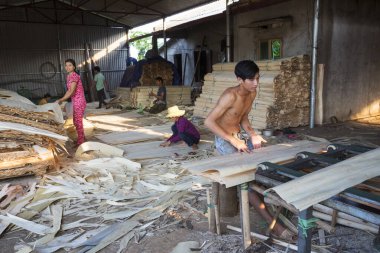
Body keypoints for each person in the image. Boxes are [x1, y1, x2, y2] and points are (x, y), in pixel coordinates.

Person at [204, 60, 266, 155]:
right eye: (251, 79)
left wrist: (253, 135)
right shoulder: (230, 96)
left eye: (257, 78)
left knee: (261, 150)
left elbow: (243, 117)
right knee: (239, 161)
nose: (256, 83)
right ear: (240, 79)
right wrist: (233, 141)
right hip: (224, 138)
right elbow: (208, 121)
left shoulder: (252, 93)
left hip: (238, 136)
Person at [57, 59, 87, 147]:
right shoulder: (69, 76)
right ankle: (82, 138)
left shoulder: (74, 76)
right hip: (75, 101)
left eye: (70, 65)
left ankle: (81, 142)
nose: (67, 67)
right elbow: (68, 91)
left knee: (78, 122)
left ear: (74, 67)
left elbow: (72, 92)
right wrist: (61, 98)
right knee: (76, 121)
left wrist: (61, 100)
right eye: (66, 65)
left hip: (79, 101)